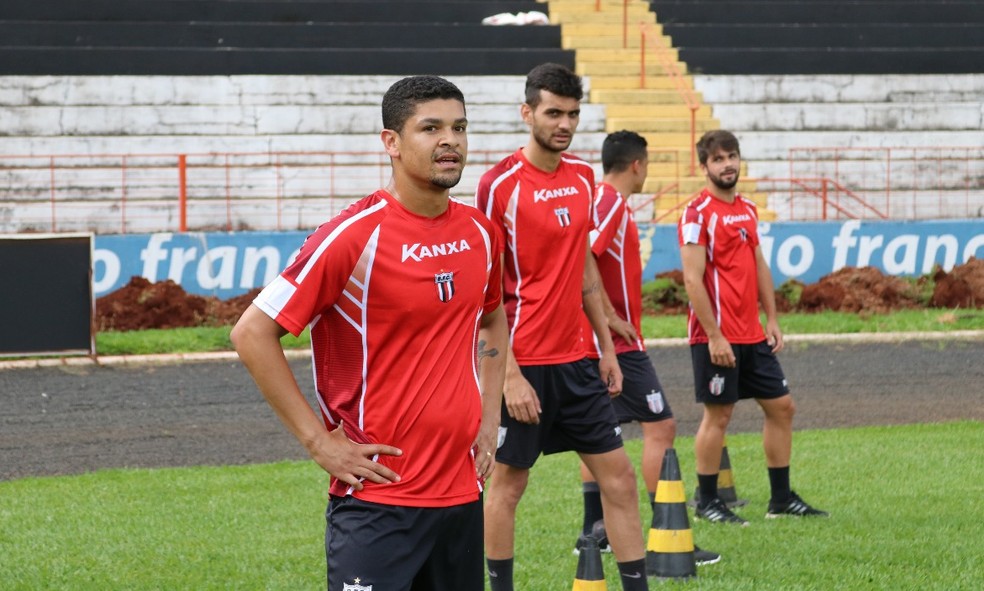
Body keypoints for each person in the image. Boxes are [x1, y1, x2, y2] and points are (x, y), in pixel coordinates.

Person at [230, 75, 508, 591]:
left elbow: (492, 317)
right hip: (378, 504)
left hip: (462, 497)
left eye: (459, 127)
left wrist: (489, 416)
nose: (450, 140)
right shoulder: (355, 236)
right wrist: (319, 442)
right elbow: (252, 334)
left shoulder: (480, 233)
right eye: (431, 128)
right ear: (392, 143)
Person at [477, 63, 650, 591]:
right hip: (523, 364)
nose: (564, 123)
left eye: (573, 114)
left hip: (578, 363)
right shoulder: (497, 185)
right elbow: (486, 291)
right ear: (527, 113)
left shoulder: (580, 179)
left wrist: (606, 347)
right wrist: (508, 375)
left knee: (619, 477)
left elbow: (584, 268)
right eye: (554, 112)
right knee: (507, 485)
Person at [576, 130, 720, 565]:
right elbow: (582, 255)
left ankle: (594, 531)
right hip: (619, 345)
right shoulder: (609, 202)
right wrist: (609, 319)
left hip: (606, 340)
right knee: (661, 427)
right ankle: (665, 531)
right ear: (637, 165)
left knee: (602, 435)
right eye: (648, 165)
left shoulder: (605, 202)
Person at [678, 129, 828, 525]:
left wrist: (772, 317)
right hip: (717, 336)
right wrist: (713, 335)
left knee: (782, 407)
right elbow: (692, 279)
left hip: (752, 334)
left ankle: (780, 500)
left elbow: (759, 265)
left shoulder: (746, 209)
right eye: (718, 158)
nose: (727, 164)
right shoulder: (696, 213)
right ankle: (708, 500)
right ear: (705, 166)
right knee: (720, 416)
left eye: (732, 156)